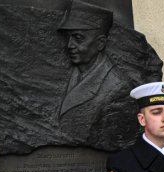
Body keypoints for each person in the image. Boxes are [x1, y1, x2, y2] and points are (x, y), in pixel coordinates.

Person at [57, 0, 133, 147]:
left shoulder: (118, 88)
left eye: (78, 38)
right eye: (69, 38)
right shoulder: (69, 74)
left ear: (100, 43)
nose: (69, 45)